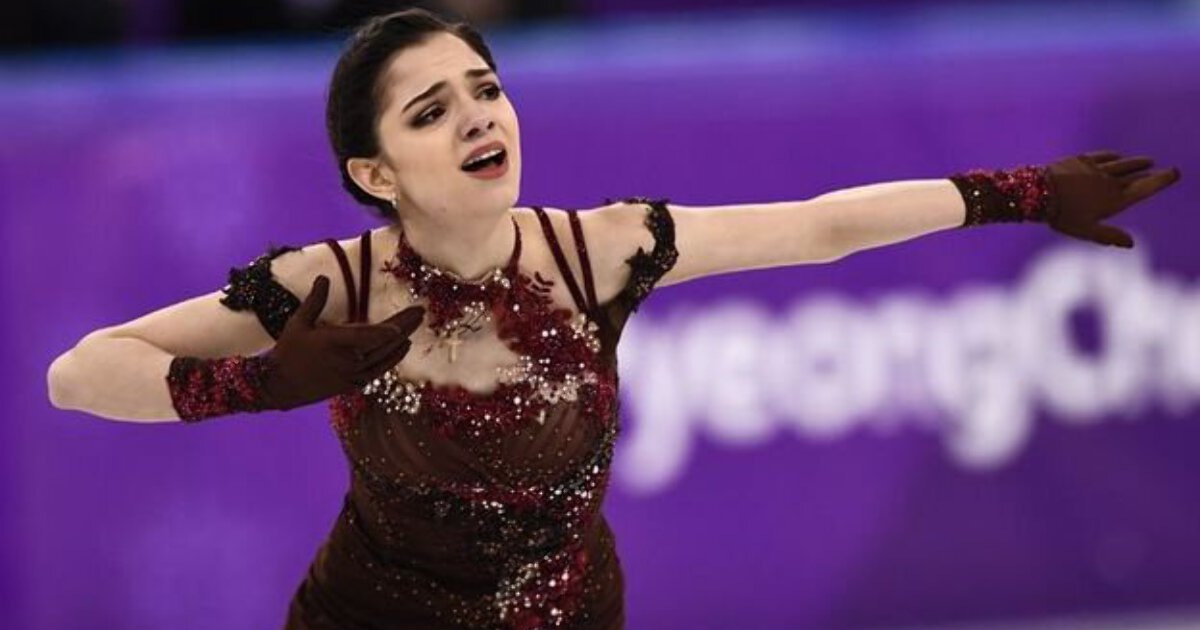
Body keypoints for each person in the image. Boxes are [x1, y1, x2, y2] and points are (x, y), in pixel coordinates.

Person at [45, 7, 1183, 630]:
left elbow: (821, 226)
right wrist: (250, 383)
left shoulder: (600, 251)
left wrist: (1019, 194)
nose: (479, 118)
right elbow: (80, 372)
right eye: (431, 112)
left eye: (486, 89)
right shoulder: (329, 284)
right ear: (374, 173)